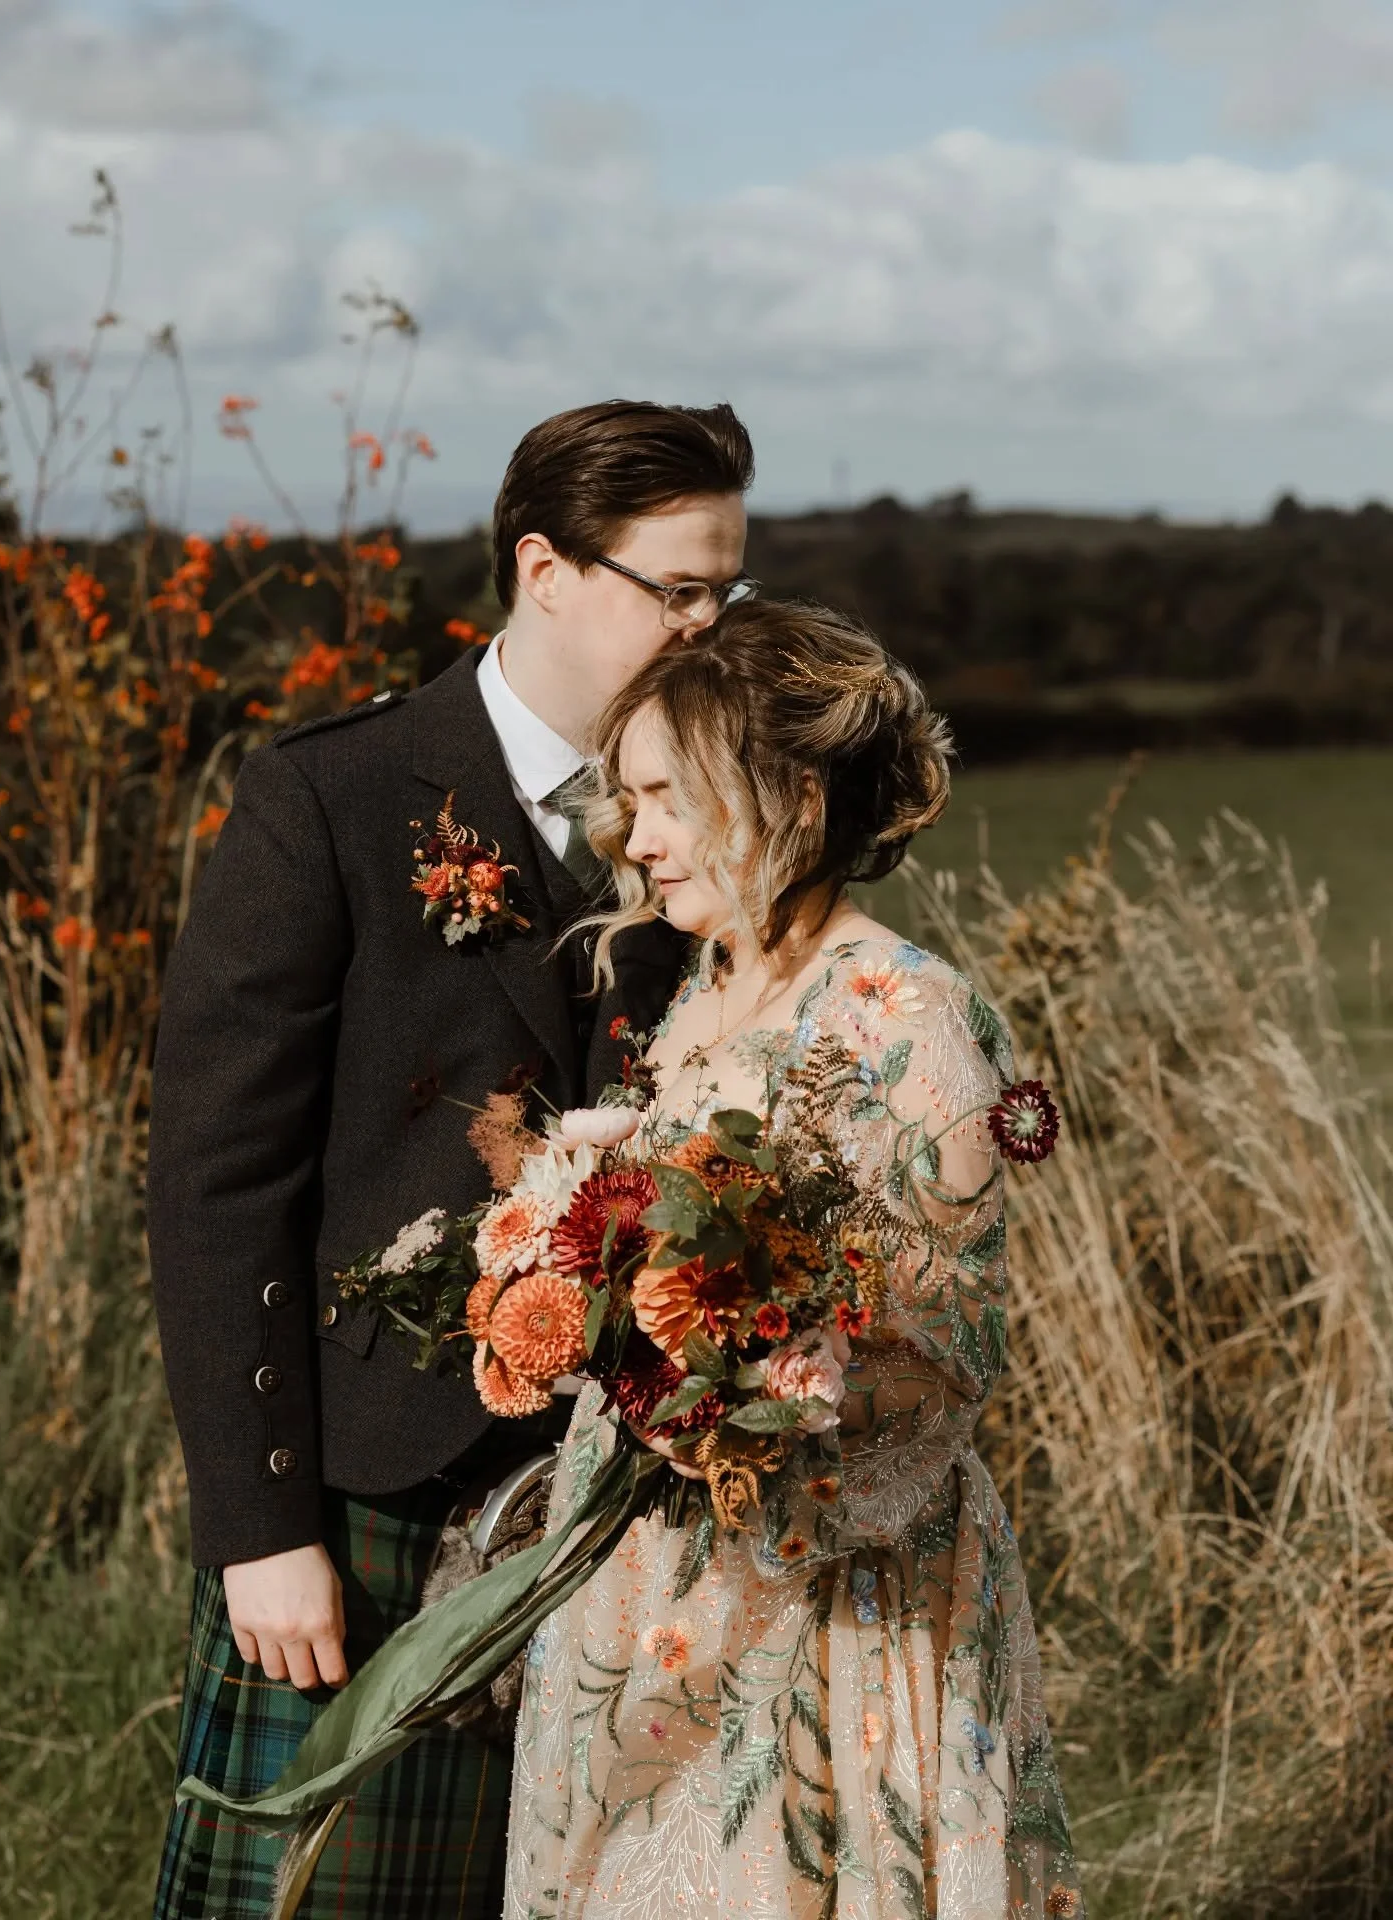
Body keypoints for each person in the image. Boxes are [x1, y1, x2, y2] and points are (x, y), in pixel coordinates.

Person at [148, 398, 755, 1918]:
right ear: (546, 571)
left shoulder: (715, 813)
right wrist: (260, 1527)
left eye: (726, 591)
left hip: (635, 1501)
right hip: (370, 1503)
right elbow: (220, 1187)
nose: (708, 627)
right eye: (675, 589)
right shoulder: (332, 798)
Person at [505, 600, 1084, 1918]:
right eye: (629, 803)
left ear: (795, 798)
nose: (635, 841)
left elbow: (953, 1340)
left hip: (830, 1599)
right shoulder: (709, 985)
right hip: (650, 1568)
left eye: (664, 799)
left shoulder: (911, 1009)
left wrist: (735, 1400)